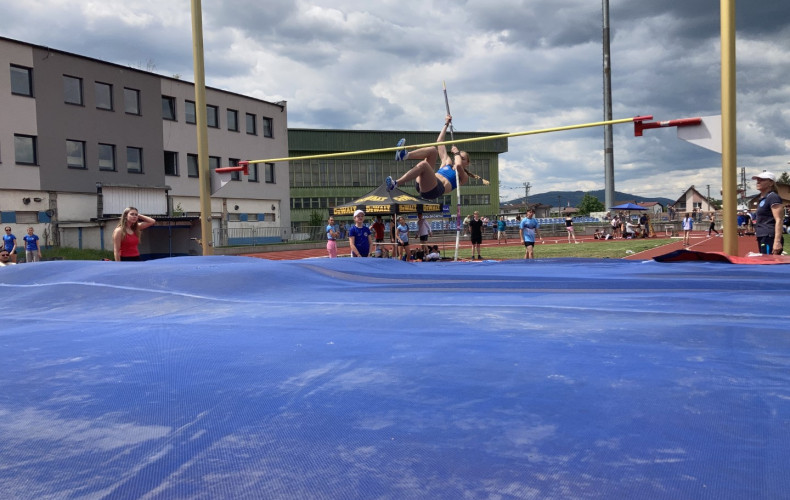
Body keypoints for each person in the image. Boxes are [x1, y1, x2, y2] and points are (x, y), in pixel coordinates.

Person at [385, 115, 469, 200]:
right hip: (424, 182)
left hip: (433, 190)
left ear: (467, 163)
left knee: (424, 164)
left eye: (462, 158)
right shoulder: (447, 162)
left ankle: (395, 183)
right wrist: (446, 124)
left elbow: (458, 166)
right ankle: (405, 155)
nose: (459, 158)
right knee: (433, 150)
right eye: (459, 157)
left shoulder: (464, 176)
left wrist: (457, 153)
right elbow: (439, 141)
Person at [752, 171, 784, 255]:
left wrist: (777, 241)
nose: (758, 182)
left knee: (768, 262)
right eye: (757, 180)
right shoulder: (763, 199)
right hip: (763, 236)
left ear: (771, 183)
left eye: (762, 180)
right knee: (765, 261)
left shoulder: (773, 197)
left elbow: (779, 219)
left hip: (769, 236)